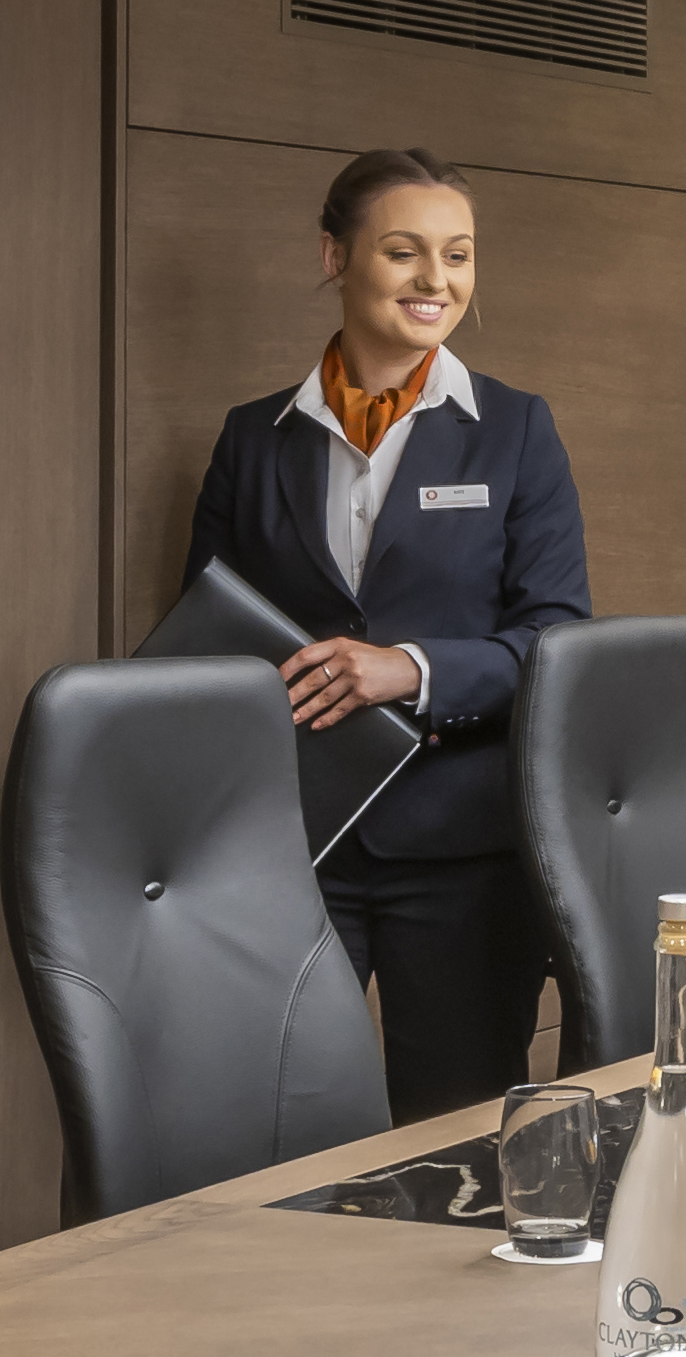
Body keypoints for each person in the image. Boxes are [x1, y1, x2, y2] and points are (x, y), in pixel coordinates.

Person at [182, 148, 591, 1122]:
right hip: (291, 850)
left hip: (461, 853)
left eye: (458, 255)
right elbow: (204, 645)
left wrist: (405, 670)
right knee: (272, 1131)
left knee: (455, 1140)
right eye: (405, 251)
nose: (436, 280)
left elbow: (557, 643)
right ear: (334, 255)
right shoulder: (255, 439)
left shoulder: (515, 432)